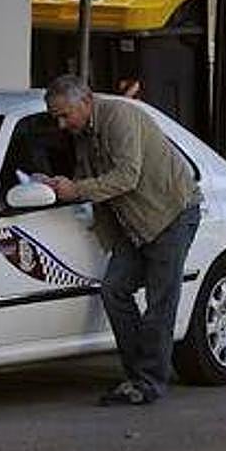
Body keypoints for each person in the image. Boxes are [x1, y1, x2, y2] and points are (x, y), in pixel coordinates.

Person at [39, 74, 201, 406]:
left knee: (161, 301)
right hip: (135, 225)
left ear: (85, 102)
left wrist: (78, 189)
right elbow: (90, 179)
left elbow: (127, 176)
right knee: (114, 289)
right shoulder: (83, 132)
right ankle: (138, 374)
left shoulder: (120, 117)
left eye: (64, 114)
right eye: (55, 116)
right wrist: (57, 186)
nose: (60, 124)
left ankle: (148, 382)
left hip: (170, 216)